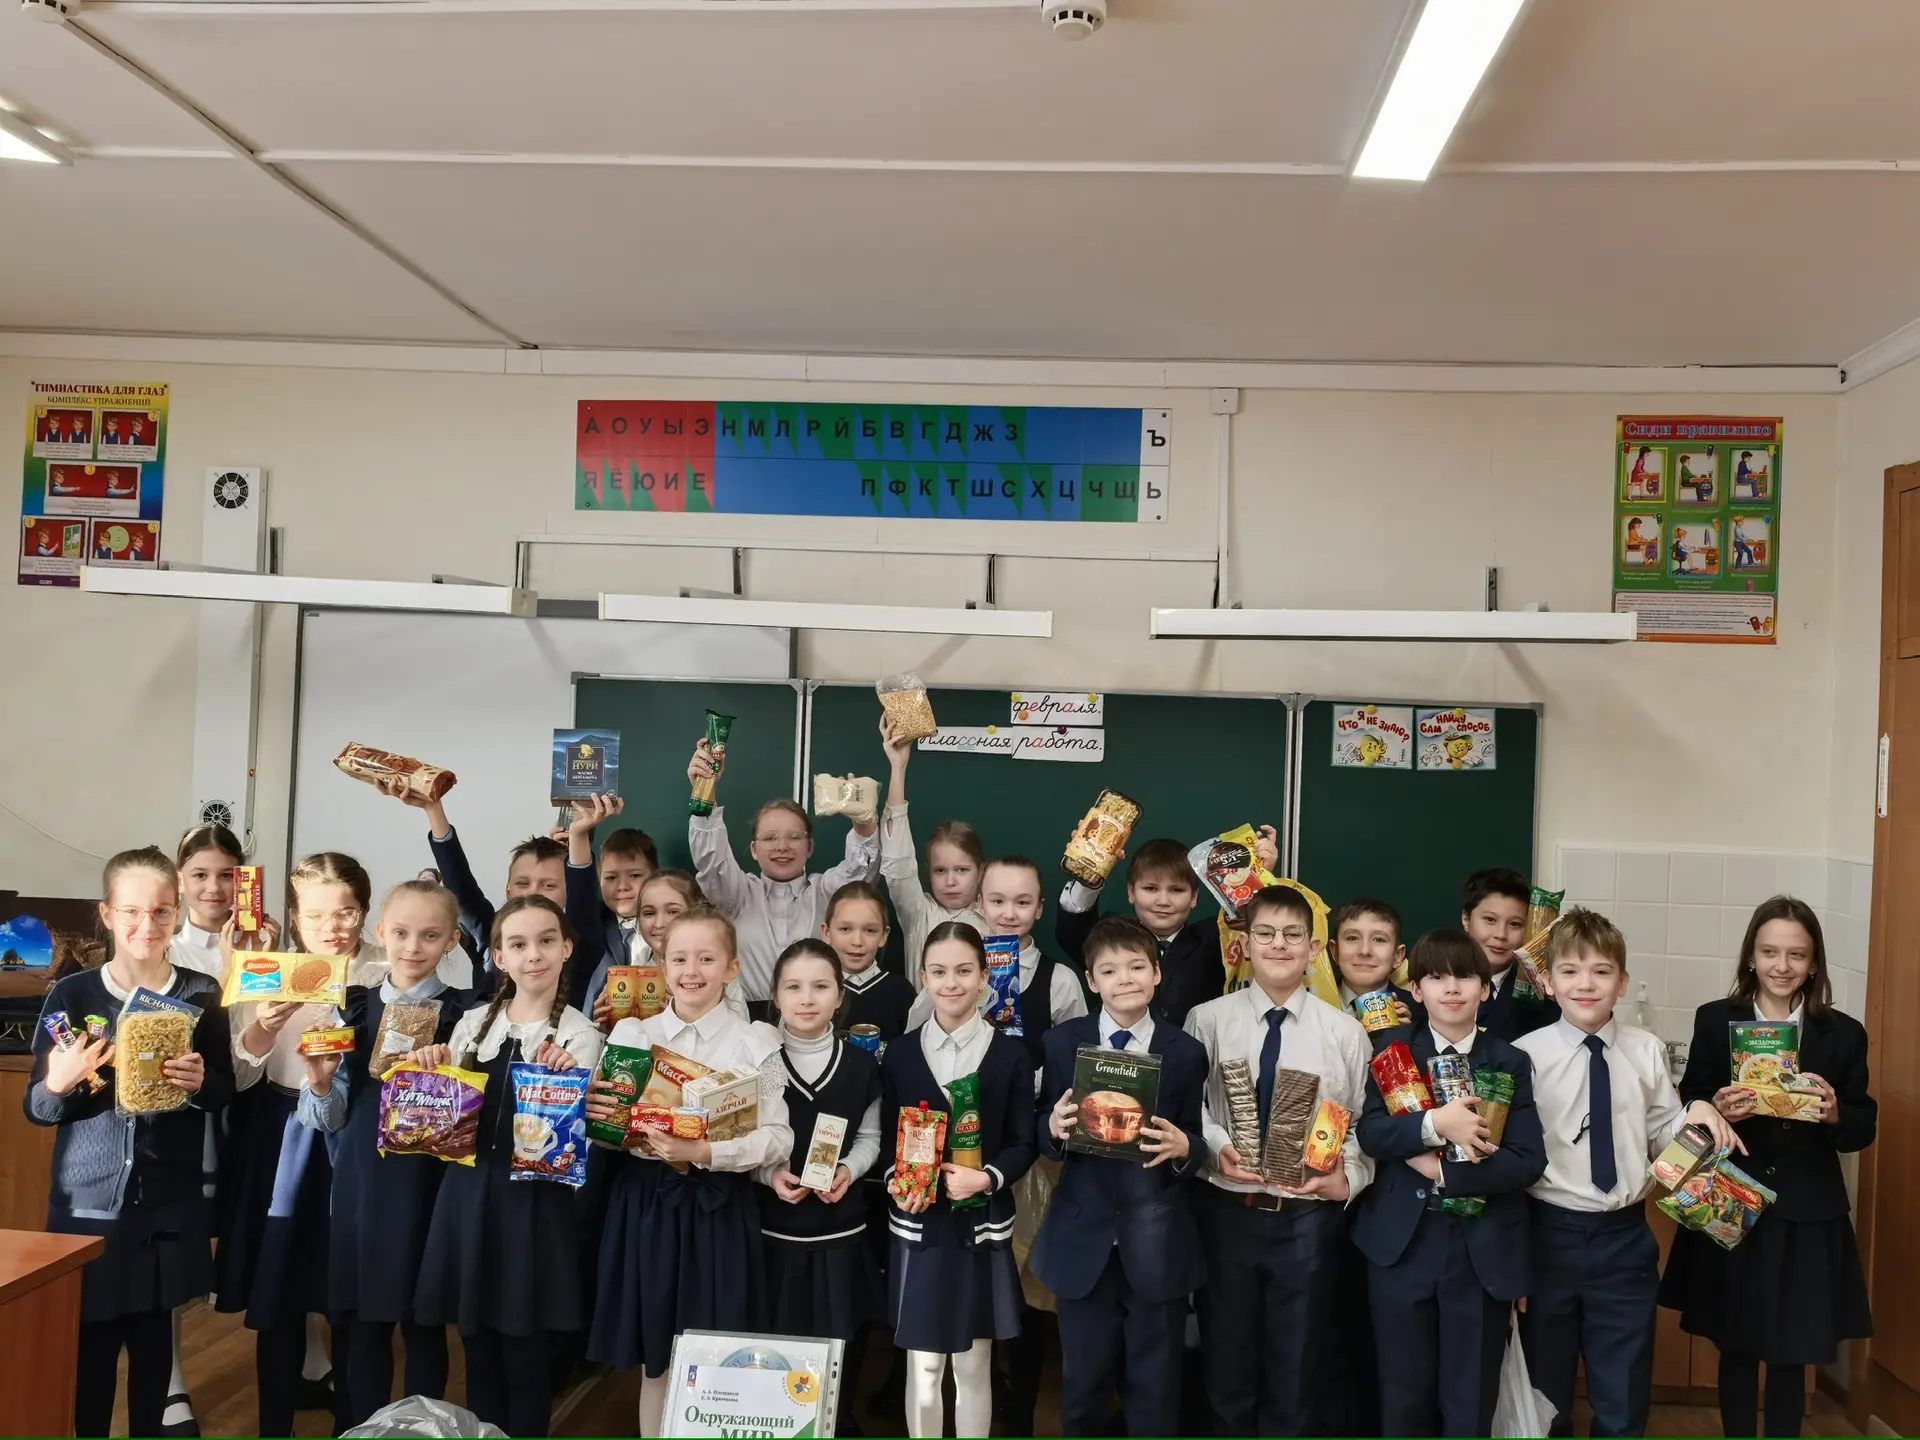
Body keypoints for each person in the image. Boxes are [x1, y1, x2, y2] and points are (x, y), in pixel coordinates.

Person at [28, 847, 234, 1439]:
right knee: (90, 1356)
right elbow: (38, 1109)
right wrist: (59, 1083)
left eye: (162, 911)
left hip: (165, 1204)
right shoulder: (72, 997)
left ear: (177, 912)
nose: (148, 926)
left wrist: (200, 1084)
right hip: (87, 1209)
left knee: (153, 1353)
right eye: (132, 912)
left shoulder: (200, 993)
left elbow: (220, 1092)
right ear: (107, 914)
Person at [1514, 907, 1740, 1439]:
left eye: (1601, 971)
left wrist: (1698, 1112)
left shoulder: (1646, 1050)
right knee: (1544, 1388)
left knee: (1623, 1387)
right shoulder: (1524, 1056)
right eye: (1570, 971)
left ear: (1622, 982)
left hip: (1624, 1239)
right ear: (1548, 982)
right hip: (1548, 1235)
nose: (1585, 984)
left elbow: (1662, 1132)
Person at [1660, 897, 1875, 1439]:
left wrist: (1834, 1113)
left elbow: (1862, 1127)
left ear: (1814, 962)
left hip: (1807, 1211)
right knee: (1735, 1342)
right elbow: (1691, 1097)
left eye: (1796, 955)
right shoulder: (1716, 1019)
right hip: (1732, 1196)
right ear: (1751, 957)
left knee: (1792, 1349)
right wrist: (1713, 1107)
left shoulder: (1843, 1033)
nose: (1782, 965)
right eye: (1770, 952)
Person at [586, 906, 793, 1437]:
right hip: (647, 1204)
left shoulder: (757, 1043)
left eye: (706, 958)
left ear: (732, 968)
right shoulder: (632, 1034)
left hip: (719, 1208)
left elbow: (779, 1137)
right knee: (655, 1358)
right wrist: (596, 1117)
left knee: (717, 1355)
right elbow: (603, 1132)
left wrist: (704, 1152)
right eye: (679, 958)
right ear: (662, 965)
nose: (691, 970)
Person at [409, 896, 602, 1439]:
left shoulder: (581, 1037)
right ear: (498, 957)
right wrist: (430, 1073)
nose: (532, 954)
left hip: (534, 1206)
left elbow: (577, 1142)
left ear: (567, 949)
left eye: (546, 941)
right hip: (467, 1197)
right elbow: (440, 1127)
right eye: (518, 944)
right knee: (477, 1342)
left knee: (525, 1350)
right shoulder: (473, 1024)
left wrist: (568, 1081)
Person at [1183, 884, 1373, 1435]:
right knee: (1226, 1365)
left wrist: (1349, 1178)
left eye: (1293, 935)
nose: (1279, 944)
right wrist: (1216, 1148)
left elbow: (1363, 1123)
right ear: (1244, 945)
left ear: (1314, 949)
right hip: (1227, 1213)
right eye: (1265, 933)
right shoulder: (1207, 1020)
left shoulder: (1345, 1032)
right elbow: (1188, 1108)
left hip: (1307, 1219)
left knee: (1298, 1367)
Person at [1353, 930, 1547, 1437]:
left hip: (1480, 1251)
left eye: (1465, 976)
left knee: (1470, 1399)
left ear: (1485, 988)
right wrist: (1434, 1124)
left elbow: (1528, 1161)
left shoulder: (1509, 1060)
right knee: (1403, 1396)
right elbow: (1372, 1132)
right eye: (1437, 977)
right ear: (1416, 990)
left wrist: (1444, 1172)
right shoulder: (1393, 1051)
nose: (1452, 988)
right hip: (1402, 1245)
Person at [217, 852, 384, 1437]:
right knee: (280, 1289)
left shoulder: (385, 969)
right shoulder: (268, 971)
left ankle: (356, 1423)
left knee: (353, 1296)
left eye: (346, 913)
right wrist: (263, 1023)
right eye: (315, 916)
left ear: (365, 912)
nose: (331, 928)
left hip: (358, 1136)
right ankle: (274, 1426)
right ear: (293, 916)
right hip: (283, 1136)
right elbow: (241, 1076)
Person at [297, 881, 473, 1428]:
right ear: (380, 933)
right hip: (364, 1184)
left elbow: (475, 1117)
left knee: (425, 1326)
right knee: (362, 1326)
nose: (413, 946)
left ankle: (426, 1430)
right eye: (400, 933)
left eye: (430, 935)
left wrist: (449, 1077)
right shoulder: (351, 1006)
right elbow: (327, 1117)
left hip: (432, 1187)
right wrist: (319, 1082)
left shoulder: (467, 1015)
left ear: (452, 940)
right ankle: (358, 1428)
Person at [1031, 916, 1208, 1437]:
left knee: (1155, 1388)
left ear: (1157, 973)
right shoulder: (1062, 1043)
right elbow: (1040, 1125)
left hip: (1157, 1239)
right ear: (1091, 981)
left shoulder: (1185, 1051)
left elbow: (1199, 1137)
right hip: (1082, 1238)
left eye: (1136, 967)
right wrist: (1053, 1128)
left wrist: (1185, 1148)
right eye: (1109, 970)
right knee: (1082, 1384)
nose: (1125, 979)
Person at [883, 922, 1037, 1440]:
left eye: (964, 971)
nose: (951, 982)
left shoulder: (1012, 1055)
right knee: (923, 1364)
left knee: (974, 1362)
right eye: (939, 971)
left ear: (984, 975)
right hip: (919, 1225)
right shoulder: (899, 1053)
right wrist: (899, 1181)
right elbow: (884, 1141)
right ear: (923, 976)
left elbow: (1023, 1142)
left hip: (982, 1226)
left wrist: (986, 1179)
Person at [758, 939, 884, 1436]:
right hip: (773, 1231)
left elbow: (871, 1137)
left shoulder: (862, 1065)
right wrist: (767, 1175)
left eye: (820, 986)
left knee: (841, 1339)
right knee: (777, 1341)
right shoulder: (759, 1062)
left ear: (840, 997)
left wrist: (849, 1169)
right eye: (793, 987)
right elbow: (736, 1140)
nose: (807, 998)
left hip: (840, 1230)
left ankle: (837, 1418)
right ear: (775, 996)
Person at [687, 736, 880, 1008]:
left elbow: (862, 872)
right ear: (754, 850)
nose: (782, 847)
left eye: (794, 837)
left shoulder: (825, 893)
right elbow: (712, 861)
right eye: (770, 838)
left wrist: (862, 820)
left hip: (817, 1015)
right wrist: (705, 788)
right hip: (746, 1019)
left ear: (810, 847)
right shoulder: (738, 894)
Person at [163, 822, 247, 1434]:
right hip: (187, 1115)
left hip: (260, 1104)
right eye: (200, 874)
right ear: (180, 880)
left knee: (279, 1228)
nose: (214, 887)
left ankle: (310, 1354)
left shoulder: (269, 942)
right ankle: (170, 1380)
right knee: (175, 1241)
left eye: (227, 874)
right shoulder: (165, 950)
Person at [1056, 827, 1277, 1029]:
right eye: (1151, 889)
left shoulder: (1215, 938)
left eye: (1176, 890)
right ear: (1131, 892)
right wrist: (1089, 872)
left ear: (1194, 897)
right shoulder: (1111, 935)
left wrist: (1257, 879)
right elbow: (1072, 930)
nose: (1163, 901)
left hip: (1197, 1057)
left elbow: (1261, 934)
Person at [375, 775, 568, 989]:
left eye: (548, 885)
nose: (533, 893)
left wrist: (578, 848)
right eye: (522, 883)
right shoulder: (488, 932)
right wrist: (433, 808)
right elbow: (460, 885)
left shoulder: (582, 935)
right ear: (508, 889)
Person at [878, 718, 987, 983]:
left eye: (962, 870)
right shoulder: (919, 913)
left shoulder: (996, 917)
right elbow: (897, 864)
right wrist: (898, 768)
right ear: (928, 871)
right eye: (940, 870)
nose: (950, 881)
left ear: (980, 871)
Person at [1461, 868, 1557, 1040]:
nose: (1501, 934)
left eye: (1514, 924)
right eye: (1490, 920)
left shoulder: (1542, 998)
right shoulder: (1430, 985)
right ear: (1466, 920)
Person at [824, 880, 915, 1039]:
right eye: (845, 929)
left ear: (884, 936)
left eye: (870, 930)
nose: (857, 941)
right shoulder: (813, 989)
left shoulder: (901, 992)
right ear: (827, 933)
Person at [1329, 896, 1420, 1043]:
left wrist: (1403, 1036)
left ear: (1397, 956)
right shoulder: (1315, 1005)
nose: (1365, 951)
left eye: (1379, 940)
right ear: (1335, 950)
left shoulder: (1422, 1012)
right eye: (1352, 938)